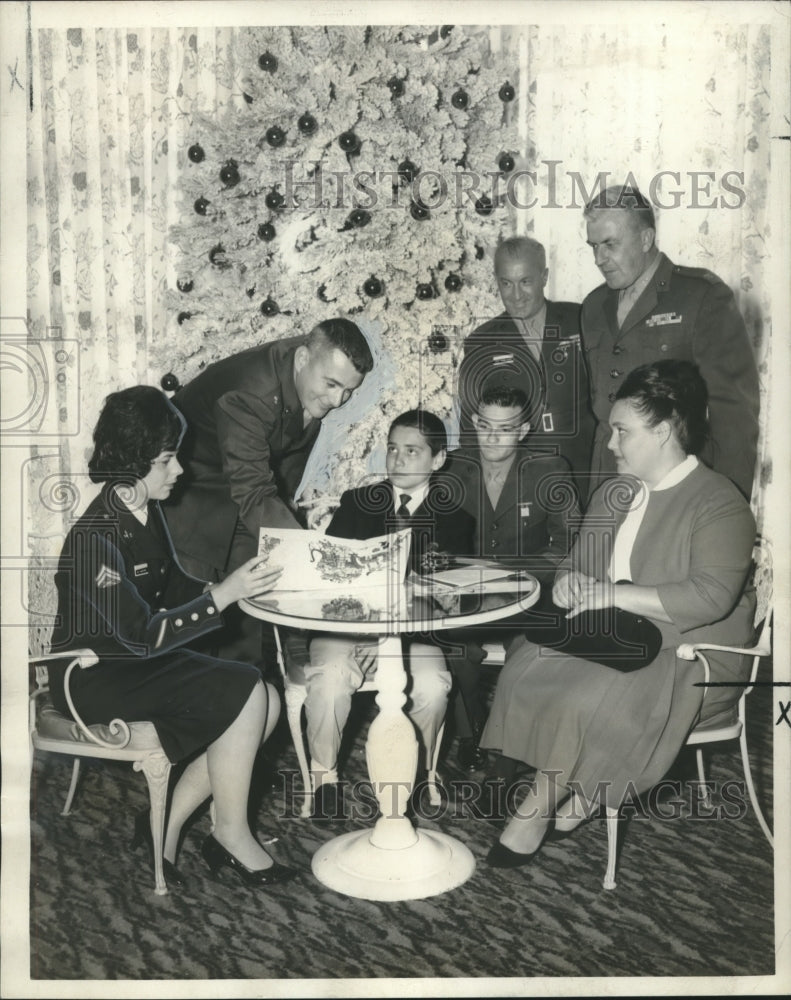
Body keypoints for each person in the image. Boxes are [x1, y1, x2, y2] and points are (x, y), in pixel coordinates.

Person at [480, 360, 757, 867]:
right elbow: (578, 562)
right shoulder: (614, 492)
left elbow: (711, 597)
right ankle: (582, 786)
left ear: (664, 432)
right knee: (528, 661)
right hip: (624, 632)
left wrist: (612, 594)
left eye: (622, 432)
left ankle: (533, 810)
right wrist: (568, 583)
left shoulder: (720, 502)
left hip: (694, 646)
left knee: (589, 694)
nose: (610, 444)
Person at [49, 386, 298, 888]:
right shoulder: (95, 538)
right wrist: (221, 598)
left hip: (131, 660)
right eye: (167, 460)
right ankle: (230, 834)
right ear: (133, 463)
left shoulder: (140, 508)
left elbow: (169, 583)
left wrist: (230, 589)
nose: (180, 470)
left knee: (266, 700)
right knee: (251, 694)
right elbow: (141, 634)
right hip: (93, 675)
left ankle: (166, 825)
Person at [288, 409, 475, 820]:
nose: (398, 459)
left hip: (414, 634)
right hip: (346, 627)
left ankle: (416, 774)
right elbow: (330, 578)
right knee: (332, 680)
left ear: (438, 459)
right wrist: (367, 635)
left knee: (432, 686)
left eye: (412, 451)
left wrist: (392, 637)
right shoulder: (358, 504)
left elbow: (444, 598)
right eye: (392, 449)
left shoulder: (456, 521)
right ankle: (325, 778)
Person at [163, 319, 374, 664]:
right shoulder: (251, 393)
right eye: (332, 384)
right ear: (303, 358)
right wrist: (309, 559)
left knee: (249, 626)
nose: (338, 400)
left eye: (348, 390)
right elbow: (253, 489)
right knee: (195, 638)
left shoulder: (309, 373)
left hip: (244, 492)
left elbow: (282, 471)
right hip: (191, 500)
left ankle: (248, 699)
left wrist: (287, 539)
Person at [582, 184, 759, 500]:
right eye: (593, 246)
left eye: (610, 244)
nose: (599, 258)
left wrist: (728, 507)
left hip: (672, 487)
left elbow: (734, 416)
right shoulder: (594, 306)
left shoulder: (701, 296)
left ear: (646, 238)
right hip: (606, 487)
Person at [442, 385, 581, 770]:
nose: (492, 437)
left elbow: (570, 543)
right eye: (485, 426)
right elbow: (434, 539)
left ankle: (509, 750)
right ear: (474, 422)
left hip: (528, 593)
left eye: (505, 429)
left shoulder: (550, 469)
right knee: (452, 652)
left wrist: (514, 577)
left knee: (529, 655)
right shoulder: (451, 467)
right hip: (467, 593)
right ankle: (470, 733)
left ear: (523, 431)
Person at [457, 236, 595, 494]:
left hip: (584, 473)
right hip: (521, 484)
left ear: (544, 277)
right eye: (506, 283)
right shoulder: (481, 341)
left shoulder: (580, 320)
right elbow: (470, 431)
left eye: (526, 282)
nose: (516, 295)